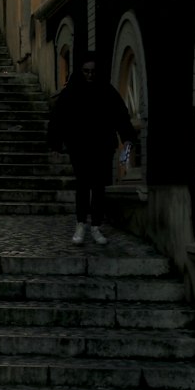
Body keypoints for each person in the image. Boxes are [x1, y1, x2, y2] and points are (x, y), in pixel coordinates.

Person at [47, 54, 137, 246]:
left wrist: (127, 138)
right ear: (81, 72)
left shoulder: (107, 91)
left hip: (102, 146)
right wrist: (56, 143)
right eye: (86, 71)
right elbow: (59, 117)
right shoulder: (71, 92)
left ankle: (95, 225)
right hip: (79, 146)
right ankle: (81, 224)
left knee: (98, 186)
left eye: (93, 72)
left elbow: (120, 115)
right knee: (82, 184)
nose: (89, 75)